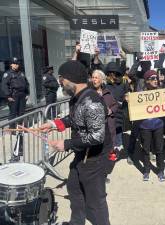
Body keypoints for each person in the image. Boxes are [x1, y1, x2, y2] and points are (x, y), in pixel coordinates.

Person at [39, 60, 112, 225]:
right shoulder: (78, 98)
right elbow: (74, 118)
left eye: (62, 80)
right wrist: (53, 124)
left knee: (96, 203)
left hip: (94, 160)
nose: (61, 84)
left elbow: (97, 136)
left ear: (71, 79)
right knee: (73, 188)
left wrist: (67, 144)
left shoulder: (92, 102)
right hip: (81, 156)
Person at [139, 70, 165, 182]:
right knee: (146, 150)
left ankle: (161, 170)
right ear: (147, 80)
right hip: (145, 126)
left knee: (159, 149)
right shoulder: (140, 94)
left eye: (156, 78)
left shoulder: (162, 92)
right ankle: (146, 170)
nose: (156, 80)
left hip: (158, 125)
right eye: (153, 78)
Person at [91, 69, 118, 148]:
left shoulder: (107, 92)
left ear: (102, 80)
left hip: (109, 125)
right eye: (93, 77)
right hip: (95, 127)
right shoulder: (89, 93)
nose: (94, 80)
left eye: (96, 78)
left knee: (109, 148)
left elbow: (115, 105)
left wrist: (111, 111)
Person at [105, 62, 129, 152]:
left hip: (119, 112)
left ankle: (118, 149)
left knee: (118, 131)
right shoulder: (105, 85)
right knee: (109, 131)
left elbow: (127, 95)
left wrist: (125, 99)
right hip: (108, 113)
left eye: (112, 73)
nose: (110, 75)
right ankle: (110, 149)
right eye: (109, 73)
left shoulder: (123, 83)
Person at [1, 57, 29, 128]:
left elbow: (26, 83)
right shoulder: (7, 74)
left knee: (21, 113)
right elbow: (4, 86)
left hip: (22, 95)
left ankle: (20, 128)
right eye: (14, 64)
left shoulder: (21, 73)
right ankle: (12, 129)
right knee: (13, 113)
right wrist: (8, 96)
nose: (16, 65)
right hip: (13, 96)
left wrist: (27, 93)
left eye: (17, 64)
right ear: (11, 65)